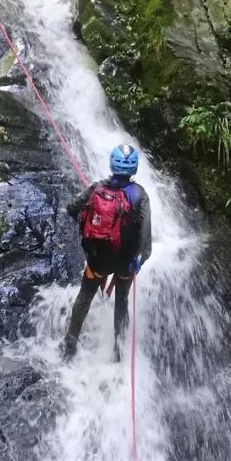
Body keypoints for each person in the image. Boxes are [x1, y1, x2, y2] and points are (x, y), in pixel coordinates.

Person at [63, 144, 152, 361]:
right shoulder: (140, 194)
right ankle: (118, 353)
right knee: (122, 303)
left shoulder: (97, 188)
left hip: (98, 259)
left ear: (112, 164)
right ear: (134, 169)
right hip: (125, 264)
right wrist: (140, 260)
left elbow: (71, 209)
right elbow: (146, 236)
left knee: (85, 296)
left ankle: (70, 346)